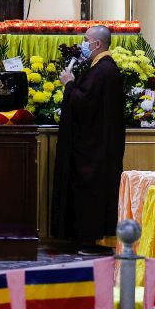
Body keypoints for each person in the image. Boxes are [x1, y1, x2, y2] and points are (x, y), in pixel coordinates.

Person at [51, 25, 125, 253]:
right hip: (101, 144)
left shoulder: (102, 71)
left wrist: (69, 84)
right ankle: (95, 239)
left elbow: (84, 103)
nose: (84, 44)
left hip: (95, 149)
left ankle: (95, 241)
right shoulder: (103, 69)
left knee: (93, 192)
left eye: (86, 40)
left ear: (98, 44)